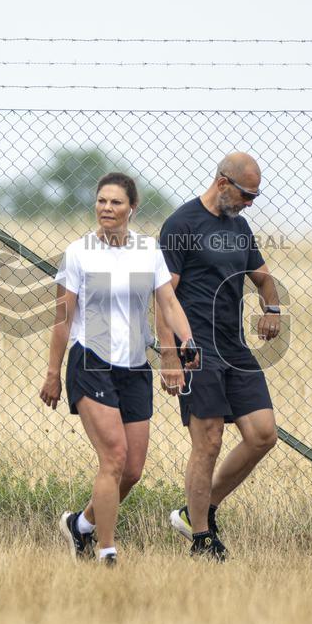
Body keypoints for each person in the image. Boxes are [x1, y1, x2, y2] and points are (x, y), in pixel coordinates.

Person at [40, 172, 197, 566]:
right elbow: (63, 318)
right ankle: (106, 551)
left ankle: (81, 525)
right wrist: (52, 373)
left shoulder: (148, 250)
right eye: (101, 201)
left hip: (134, 367)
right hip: (90, 361)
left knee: (132, 469)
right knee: (113, 458)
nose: (107, 208)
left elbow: (168, 302)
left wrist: (185, 340)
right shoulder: (79, 252)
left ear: (132, 208)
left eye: (116, 202)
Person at [156, 152, 283, 561]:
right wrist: (169, 356)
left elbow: (263, 277)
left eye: (255, 197)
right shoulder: (181, 225)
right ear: (223, 183)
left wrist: (272, 308)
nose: (250, 204)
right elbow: (163, 297)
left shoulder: (240, 227)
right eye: (247, 195)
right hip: (196, 349)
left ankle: (199, 508)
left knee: (263, 434)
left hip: (235, 348)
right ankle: (201, 537)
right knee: (208, 441)